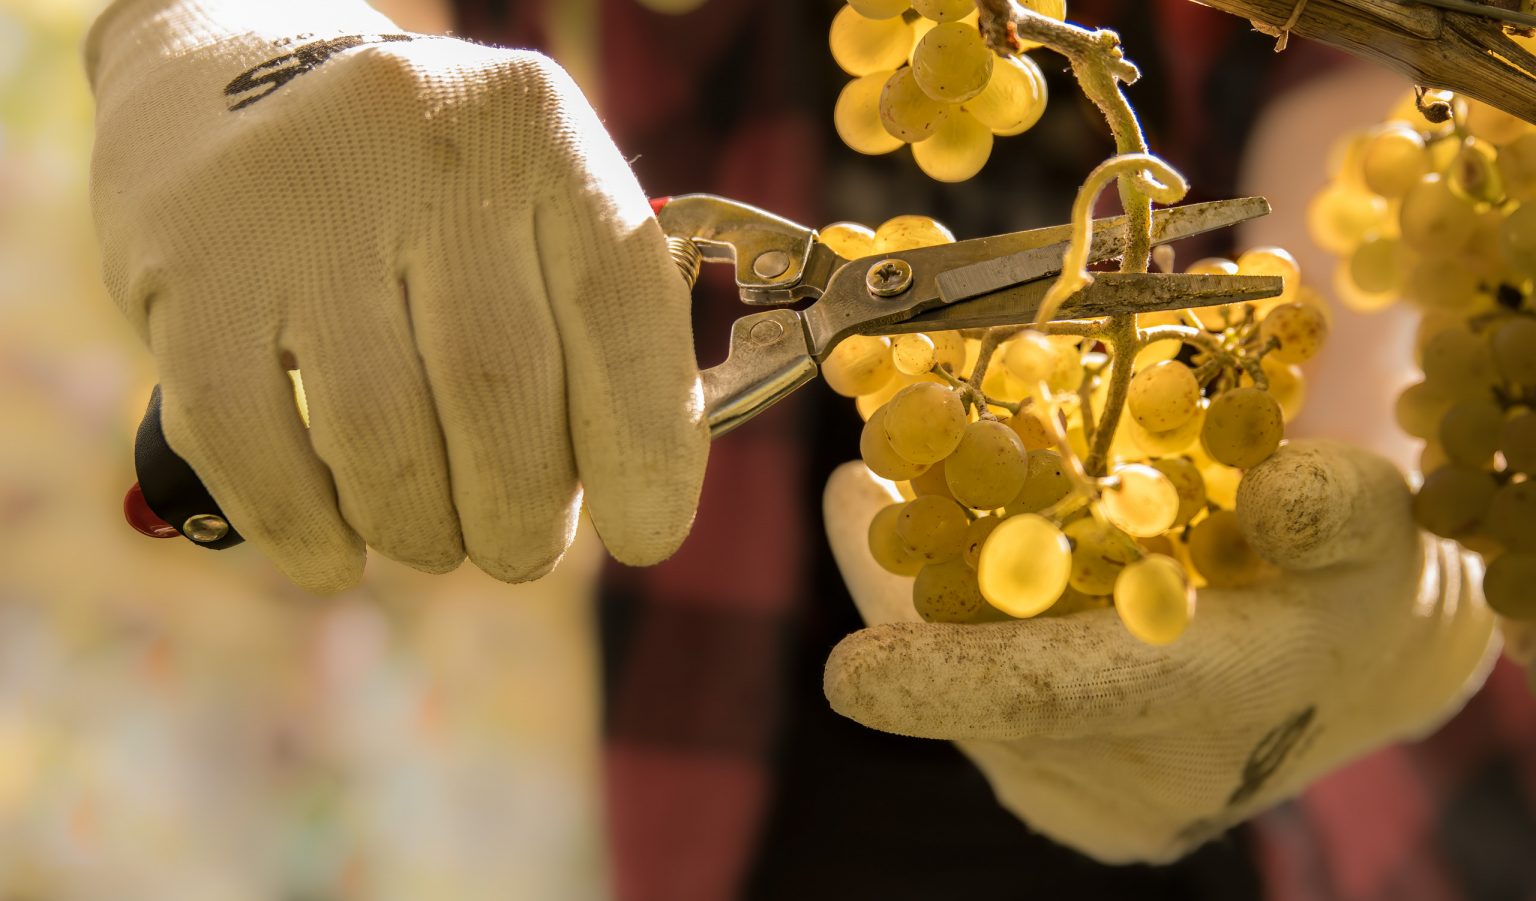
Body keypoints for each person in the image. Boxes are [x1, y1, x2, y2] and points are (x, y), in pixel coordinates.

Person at [82, 0, 1534, 897]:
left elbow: (1366, 119)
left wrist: (1373, 526)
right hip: (762, 778)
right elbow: (420, 83)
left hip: (1381, 838)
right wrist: (239, 34)